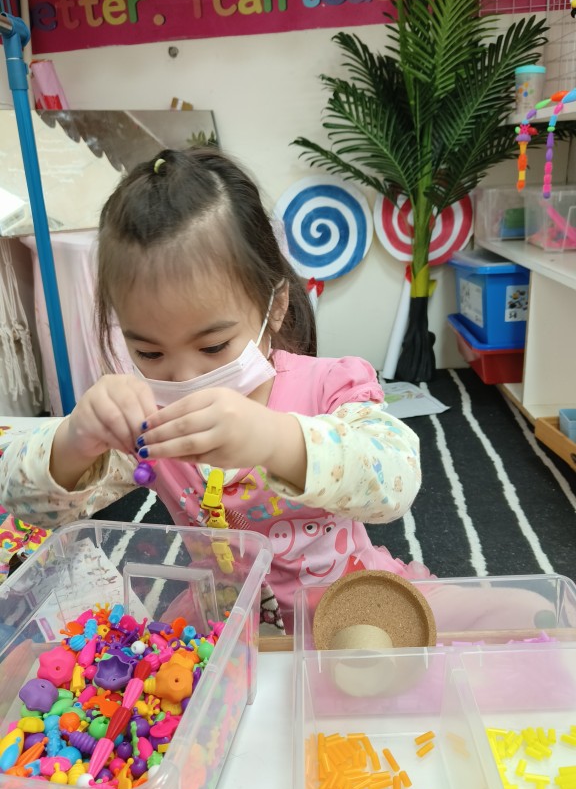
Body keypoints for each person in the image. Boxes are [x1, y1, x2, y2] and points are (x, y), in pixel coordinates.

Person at [0, 149, 424, 633]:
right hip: (224, 626)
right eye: (149, 353)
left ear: (275, 306)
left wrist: (276, 440)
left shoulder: (328, 386)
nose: (183, 378)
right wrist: (75, 439)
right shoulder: (150, 421)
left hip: (348, 613)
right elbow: (25, 503)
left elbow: (396, 481)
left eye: (214, 346)